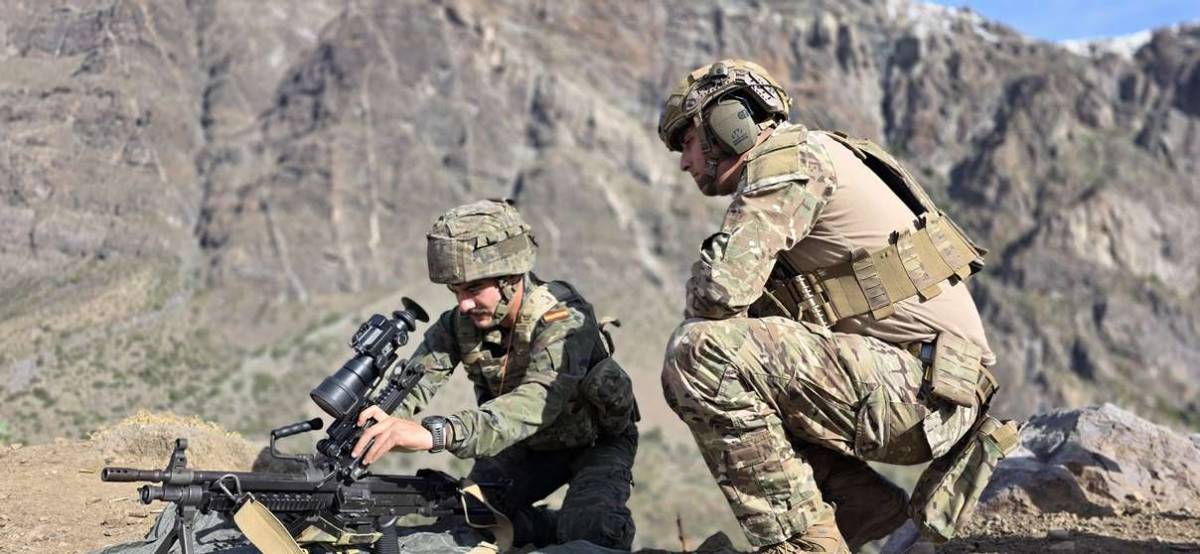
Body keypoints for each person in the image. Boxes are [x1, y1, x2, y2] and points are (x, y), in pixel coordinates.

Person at [655, 60, 1018, 553]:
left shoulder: (789, 163)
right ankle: (857, 504)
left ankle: (804, 545)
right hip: (928, 387)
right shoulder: (815, 156)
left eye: (686, 141)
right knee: (745, 354)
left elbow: (719, 292)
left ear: (727, 123)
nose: (683, 161)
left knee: (700, 354)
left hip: (921, 392)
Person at [351, 199, 639, 550]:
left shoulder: (564, 319)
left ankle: (569, 526)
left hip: (596, 443)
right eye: (455, 291)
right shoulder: (458, 326)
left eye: (472, 289)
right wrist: (381, 418)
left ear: (511, 277)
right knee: (469, 517)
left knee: (590, 533)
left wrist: (437, 434)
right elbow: (415, 382)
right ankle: (537, 527)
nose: (463, 305)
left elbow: (537, 402)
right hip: (528, 448)